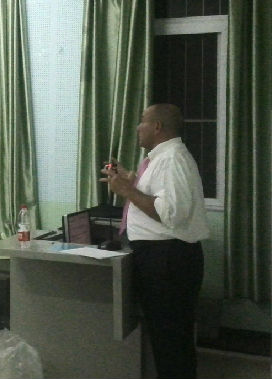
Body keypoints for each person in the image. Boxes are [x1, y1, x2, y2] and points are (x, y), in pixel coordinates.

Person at [101, 103, 209, 379]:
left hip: (167, 261)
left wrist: (127, 191)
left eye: (143, 121)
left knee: (171, 340)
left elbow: (171, 213)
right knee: (168, 338)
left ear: (157, 126)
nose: (138, 127)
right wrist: (131, 181)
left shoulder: (172, 160)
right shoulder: (160, 159)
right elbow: (158, 197)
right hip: (162, 257)